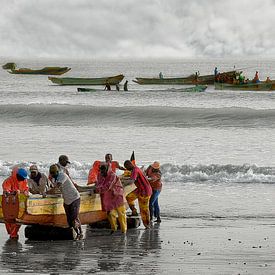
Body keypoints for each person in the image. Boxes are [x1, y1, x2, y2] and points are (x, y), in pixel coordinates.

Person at [49, 164, 82, 239]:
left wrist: (46, 193)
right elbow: (56, 190)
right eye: (51, 173)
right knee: (69, 219)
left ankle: (79, 232)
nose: (52, 175)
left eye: (54, 173)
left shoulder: (63, 176)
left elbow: (57, 187)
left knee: (74, 217)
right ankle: (74, 232)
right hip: (66, 200)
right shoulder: (54, 179)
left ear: (57, 171)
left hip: (74, 198)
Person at [96, 162, 127, 234]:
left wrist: (97, 190)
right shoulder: (100, 174)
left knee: (121, 213)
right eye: (101, 170)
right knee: (110, 213)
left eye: (103, 170)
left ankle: (124, 230)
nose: (102, 172)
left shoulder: (112, 175)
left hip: (117, 194)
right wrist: (97, 188)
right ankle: (114, 228)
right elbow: (98, 183)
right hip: (108, 196)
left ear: (107, 169)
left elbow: (108, 186)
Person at [124, 160, 152, 229]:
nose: (127, 169)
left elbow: (132, 180)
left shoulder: (135, 170)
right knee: (128, 197)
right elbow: (132, 178)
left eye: (127, 167)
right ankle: (134, 211)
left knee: (144, 209)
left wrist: (123, 184)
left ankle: (147, 225)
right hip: (139, 189)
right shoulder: (136, 168)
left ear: (129, 165)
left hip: (145, 191)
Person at [2, 168, 29, 239]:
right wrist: (13, 192)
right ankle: (12, 233)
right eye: (22, 178)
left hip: (20, 202)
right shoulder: (9, 180)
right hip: (9, 202)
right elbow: (6, 190)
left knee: (18, 218)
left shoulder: (24, 180)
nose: (23, 179)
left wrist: (25, 192)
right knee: (8, 219)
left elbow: (26, 189)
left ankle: (13, 234)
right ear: (17, 175)